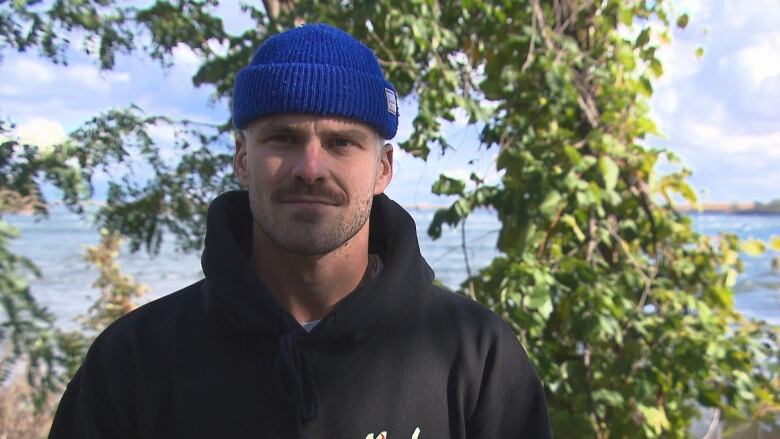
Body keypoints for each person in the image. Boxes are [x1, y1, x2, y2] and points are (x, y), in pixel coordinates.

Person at [49, 23, 551, 439]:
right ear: (244, 161)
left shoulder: (474, 356)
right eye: (283, 139)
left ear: (383, 169)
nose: (310, 167)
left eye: (341, 143)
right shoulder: (136, 360)